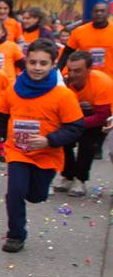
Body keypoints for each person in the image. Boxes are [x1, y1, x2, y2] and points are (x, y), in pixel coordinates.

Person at [0, 38, 85, 253]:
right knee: (15, 192)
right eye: (32, 62)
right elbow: (0, 117)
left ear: (52, 65)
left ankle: (37, 191)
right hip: (17, 152)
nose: (37, 68)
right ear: (26, 62)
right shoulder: (13, 89)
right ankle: (16, 235)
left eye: (43, 63)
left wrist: (49, 140)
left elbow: (75, 128)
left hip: (47, 155)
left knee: (36, 196)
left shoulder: (63, 95)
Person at [53, 50, 112, 196]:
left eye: (78, 71)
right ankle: (67, 176)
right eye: (70, 70)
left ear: (89, 70)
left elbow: (101, 117)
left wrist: (75, 122)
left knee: (87, 144)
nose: (72, 75)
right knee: (61, 139)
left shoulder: (103, 83)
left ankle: (80, 179)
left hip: (96, 119)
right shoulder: (63, 81)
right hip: (72, 117)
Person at [62, 2, 112, 80]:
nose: (99, 13)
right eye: (96, 11)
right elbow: (67, 53)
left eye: (102, 11)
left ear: (108, 13)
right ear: (92, 13)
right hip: (84, 79)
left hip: (110, 79)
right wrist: (59, 71)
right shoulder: (79, 31)